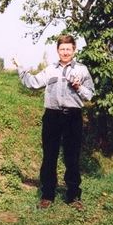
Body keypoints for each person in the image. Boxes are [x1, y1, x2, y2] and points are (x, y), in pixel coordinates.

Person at [12, 34, 95, 210]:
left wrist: (79, 86)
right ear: (58, 51)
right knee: (49, 157)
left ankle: (73, 197)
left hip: (73, 117)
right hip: (52, 117)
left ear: (74, 50)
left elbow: (90, 94)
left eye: (68, 49)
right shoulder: (50, 70)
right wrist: (20, 66)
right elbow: (32, 83)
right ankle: (47, 196)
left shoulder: (82, 70)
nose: (65, 52)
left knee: (72, 158)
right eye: (62, 49)